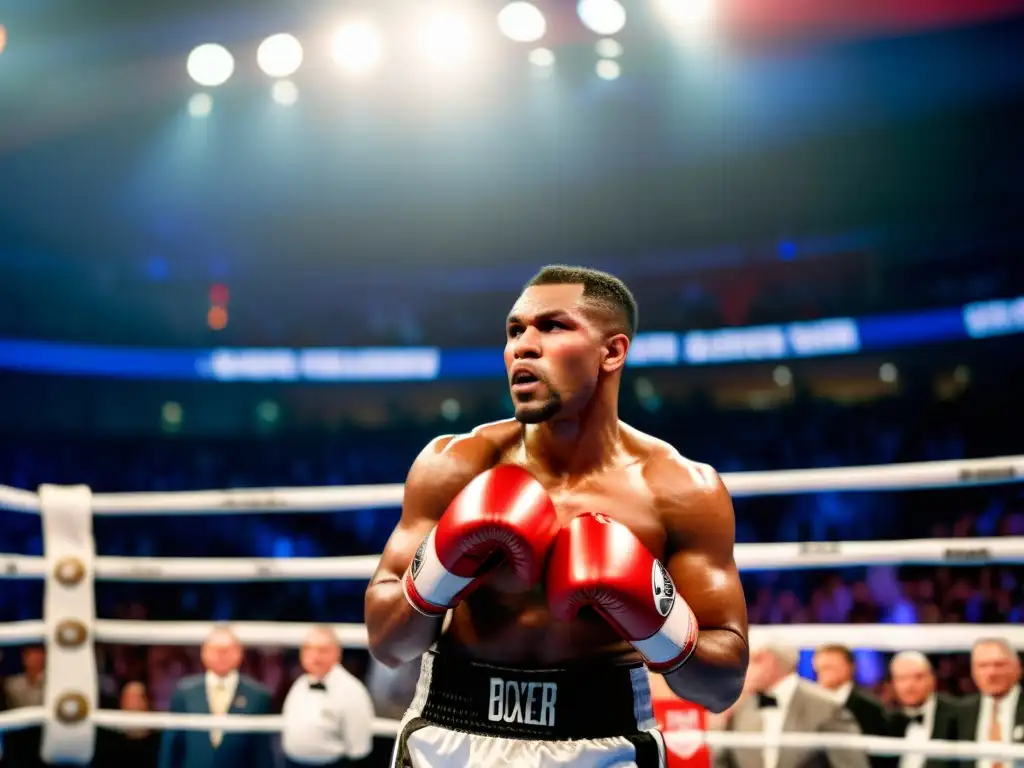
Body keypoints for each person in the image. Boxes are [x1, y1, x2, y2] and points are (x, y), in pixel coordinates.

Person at [365, 265, 749, 767]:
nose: (523, 345)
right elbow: (388, 644)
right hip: (451, 733)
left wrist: (655, 620)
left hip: (603, 739)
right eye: (514, 330)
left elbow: (721, 687)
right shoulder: (453, 465)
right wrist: (439, 568)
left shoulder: (679, 489)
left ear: (611, 352)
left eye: (552, 325)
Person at [713, 641, 868, 768]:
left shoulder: (826, 707)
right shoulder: (741, 707)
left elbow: (852, 764)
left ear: (772, 663)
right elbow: (723, 762)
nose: (745, 669)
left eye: (754, 660)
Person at [157, 625, 274, 768]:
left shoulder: (257, 695)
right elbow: (171, 747)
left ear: (240, 653)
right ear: (203, 652)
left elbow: (263, 753)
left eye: (227, 649)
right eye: (215, 649)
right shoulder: (185, 692)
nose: (221, 654)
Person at [281, 626, 375, 768]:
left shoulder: (352, 691)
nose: (315, 656)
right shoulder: (299, 684)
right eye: (309, 649)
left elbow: (358, 749)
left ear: (337, 653)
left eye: (322, 650)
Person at [812, 644, 891, 768]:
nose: (823, 673)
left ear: (850, 667)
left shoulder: (868, 707)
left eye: (830, 667)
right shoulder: (810, 702)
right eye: (820, 668)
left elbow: (878, 756)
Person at [955, 638, 1022, 768]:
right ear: (973, 672)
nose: (991, 673)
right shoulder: (960, 711)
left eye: (999, 665)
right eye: (983, 666)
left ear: (1017, 667)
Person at [885, 651, 960, 768]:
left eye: (917, 677)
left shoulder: (956, 714)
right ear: (893, 684)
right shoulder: (888, 720)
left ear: (932, 679)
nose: (909, 685)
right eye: (902, 678)